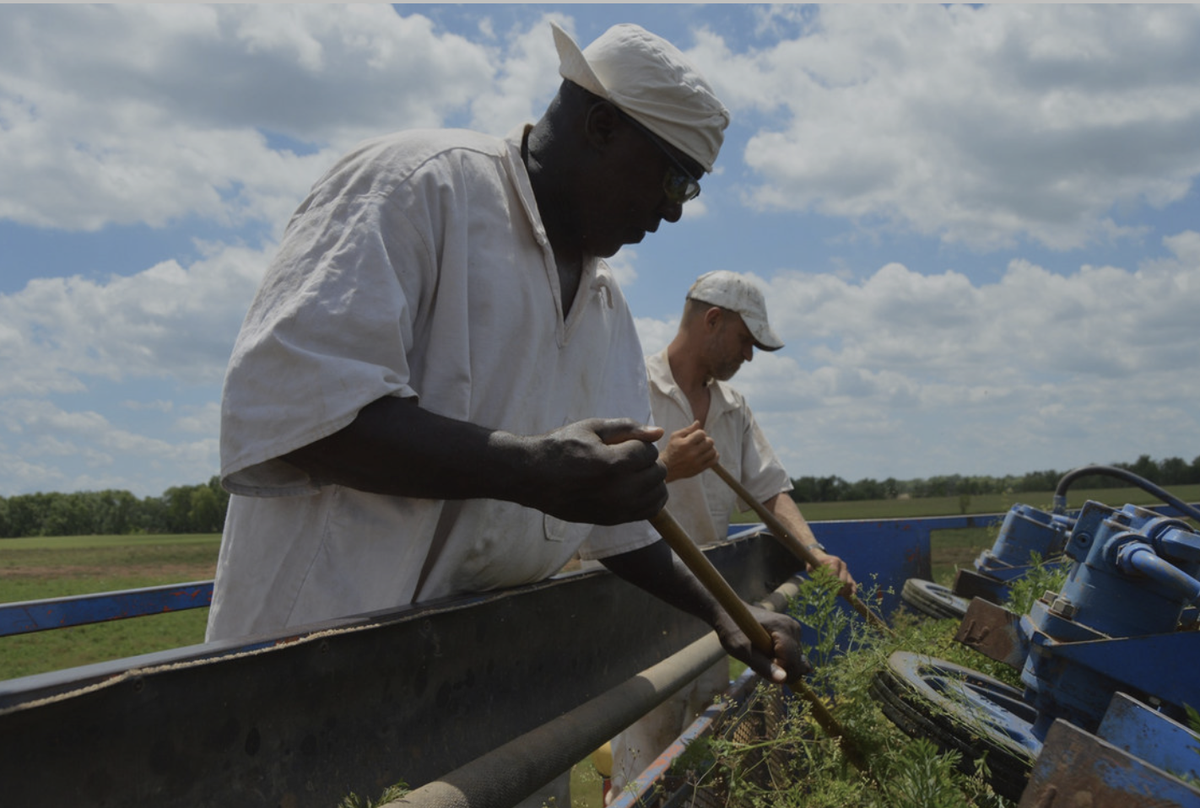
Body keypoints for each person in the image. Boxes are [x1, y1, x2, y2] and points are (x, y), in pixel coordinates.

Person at [205, 22, 811, 807]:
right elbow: (298, 409)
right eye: (673, 181)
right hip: (316, 693)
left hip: (488, 695)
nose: (672, 214)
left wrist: (724, 615)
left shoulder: (604, 308)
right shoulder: (419, 188)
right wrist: (531, 469)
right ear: (601, 125)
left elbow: (623, 528)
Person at [605, 270, 856, 802]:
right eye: (745, 341)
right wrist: (665, 466)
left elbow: (770, 492)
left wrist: (812, 552)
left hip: (712, 610)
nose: (749, 356)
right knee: (644, 771)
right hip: (643, 607)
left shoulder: (733, 408)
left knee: (711, 767)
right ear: (713, 320)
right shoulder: (629, 384)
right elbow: (601, 489)